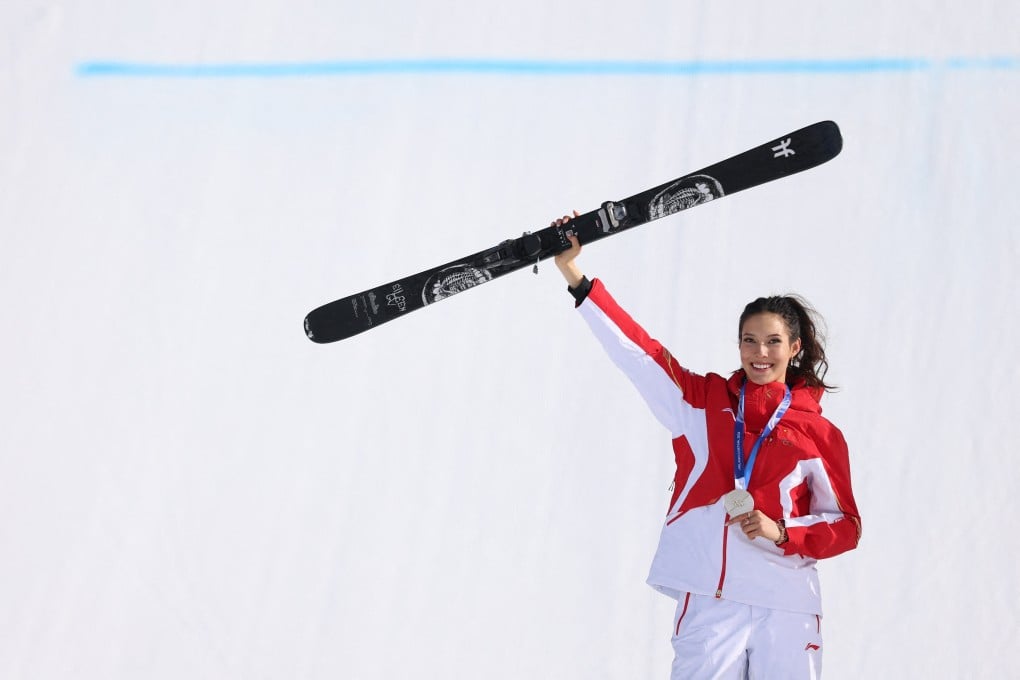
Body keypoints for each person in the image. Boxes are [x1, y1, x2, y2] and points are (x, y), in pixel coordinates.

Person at [552, 213, 861, 680]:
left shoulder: (819, 434)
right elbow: (641, 354)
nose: (760, 352)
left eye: (773, 342)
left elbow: (846, 525)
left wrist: (783, 532)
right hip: (712, 601)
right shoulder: (701, 404)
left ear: (794, 347)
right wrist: (575, 276)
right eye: (749, 341)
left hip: (788, 605)